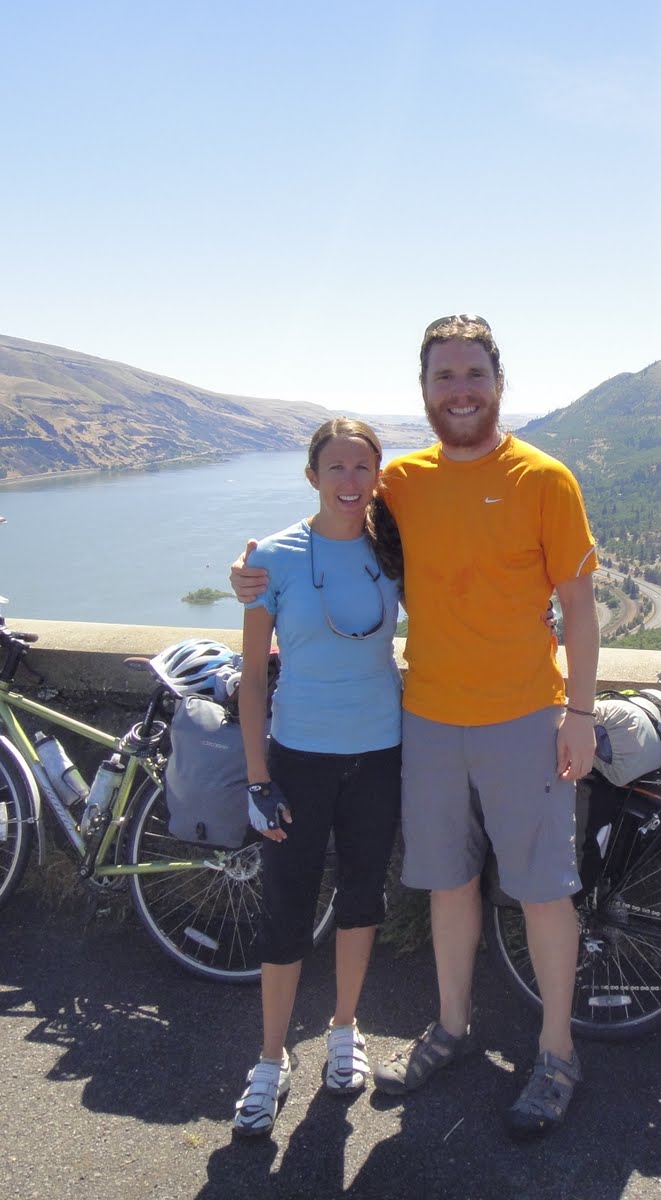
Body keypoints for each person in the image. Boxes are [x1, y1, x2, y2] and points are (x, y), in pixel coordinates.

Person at [232, 313, 599, 1137]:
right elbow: (332, 533)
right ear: (425, 390)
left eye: (473, 375)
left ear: (498, 383)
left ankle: (556, 1052)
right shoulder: (402, 484)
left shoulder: (545, 478)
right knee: (448, 884)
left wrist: (579, 711)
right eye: (444, 377)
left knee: (543, 890)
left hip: (524, 716)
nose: (460, 391)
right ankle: (454, 1028)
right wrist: (249, 574)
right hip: (427, 717)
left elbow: (578, 602)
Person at [229, 418, 405, 1140]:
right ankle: (269, 1062)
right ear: (311, 476)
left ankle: (343, 1030)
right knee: (286, 908)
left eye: (362, 467)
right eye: (335, 467)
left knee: (362, 896)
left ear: (376, 475)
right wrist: (256, 775)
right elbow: (250, 677)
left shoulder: (391, 550)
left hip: (379, 752)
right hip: (297, 757)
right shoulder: (272, 559)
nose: (349, 481)